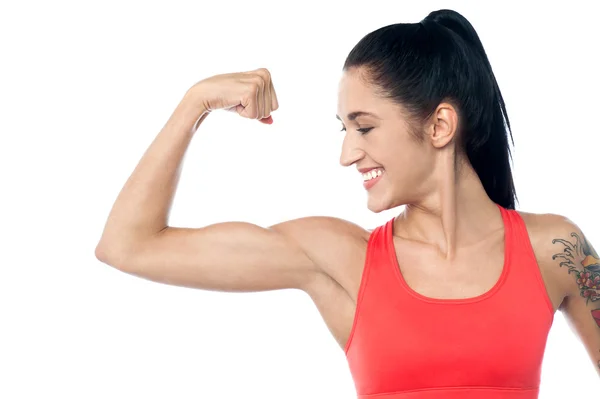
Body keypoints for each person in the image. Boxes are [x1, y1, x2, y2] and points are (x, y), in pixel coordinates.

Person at [95, 8, 600, 398]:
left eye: (364, 127)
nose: (346, 153)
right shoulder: (340, 259)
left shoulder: (555, 250)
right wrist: (196, 102)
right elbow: (127, 246)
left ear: (440, 125)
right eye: (345, 129)